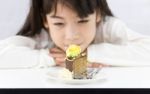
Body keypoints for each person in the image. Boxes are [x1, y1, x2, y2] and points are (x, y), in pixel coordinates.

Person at [0, 0, 150, 69]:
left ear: (97, 15)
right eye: (59, 23)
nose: (71, 36)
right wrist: (52, 58)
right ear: (45, 20)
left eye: (82, 21)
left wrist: (87, 55)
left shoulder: (108, 28)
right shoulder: (43, 36)